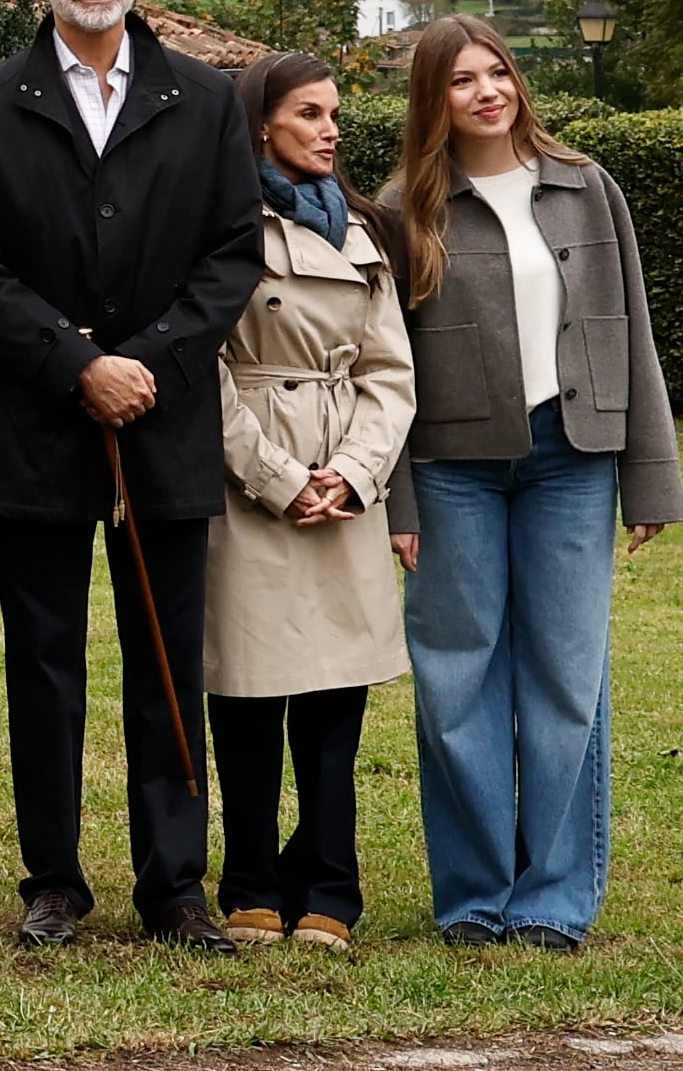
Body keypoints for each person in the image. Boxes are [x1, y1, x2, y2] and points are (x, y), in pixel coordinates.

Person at [0, 0, 265, 952]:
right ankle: (54, 879)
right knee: (44, 660)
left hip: (164, 422)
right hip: (36, 423)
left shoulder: (206, 100)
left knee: (167, 657)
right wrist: (79, 363)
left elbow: (232, 256)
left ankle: (174, 884)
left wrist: (143, 363)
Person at [378, 16, 683, 953]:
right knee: (457, 679)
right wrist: (398, 503)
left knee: (565, 677)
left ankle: (553, 898)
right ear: (435, 97)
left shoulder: (587, 188)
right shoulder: (403, 207)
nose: (487, 91)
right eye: (463, 80)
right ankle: (474, 895)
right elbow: (381, 362)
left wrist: (652, 483)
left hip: (572, 459)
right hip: (451, 471)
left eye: (498, 72)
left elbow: (629, 332)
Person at [205, 50, 415, 952]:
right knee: (247, 698)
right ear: (260, 124)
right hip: (250, 484)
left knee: (335, 705)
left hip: (344, 487)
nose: (332, 129)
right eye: (309, 115)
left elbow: (389, 372)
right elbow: (200, 368)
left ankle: (332, 882)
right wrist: (281, 480)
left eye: (334, 114)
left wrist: (356, 474)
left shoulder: (363, 231)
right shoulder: (215, 223)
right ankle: (250, 877)